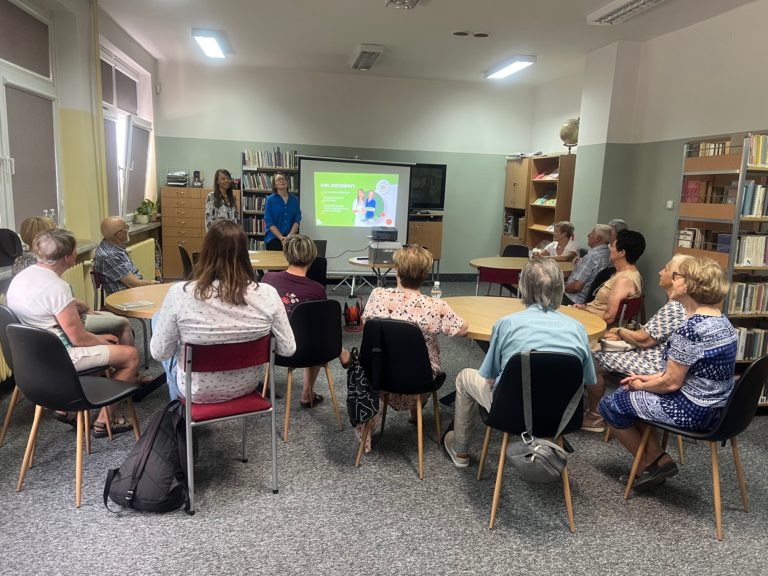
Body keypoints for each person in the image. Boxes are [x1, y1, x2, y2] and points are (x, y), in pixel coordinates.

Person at [598, 257, 737, 489]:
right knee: (629, 395)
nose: (673, 280)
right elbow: (679, 374)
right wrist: (645, 379)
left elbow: (671, 383)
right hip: (718, 407)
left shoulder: (690, 329)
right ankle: (657, 460)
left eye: (677, 277)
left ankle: (651, 463)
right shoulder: (722, 323)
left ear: (690, 286)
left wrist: (641, 385)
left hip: (693, 410)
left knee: (610, 404)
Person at [444, 258, 596, 467]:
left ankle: (460, 452)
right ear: (560, 288)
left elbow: (489, 376)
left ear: (524, 287)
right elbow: (587, 379)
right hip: (561, 416)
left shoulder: (507, 324)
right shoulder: (578, 329)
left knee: (464, 378)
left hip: (511, 411)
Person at [7, 229, 140, 436]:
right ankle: (105, 421)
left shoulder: (22, 277)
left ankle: (67, 409)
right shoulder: (56, 287)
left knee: (102, 346)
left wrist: (93, 336)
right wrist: (100, 341)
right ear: (69, 257)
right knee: (130, 355)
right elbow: (79, 339)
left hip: (31, 359)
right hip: (61, 356)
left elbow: (46, 308)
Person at [151, 220, 296, 403]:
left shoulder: (180, 293)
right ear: (245, 253)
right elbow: (288, 349)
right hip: (246, 385)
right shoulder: (267, 294)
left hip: (196, 390)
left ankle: (180, 417)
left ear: (206, 252)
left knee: (158, 320)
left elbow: (160, 353)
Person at [360, 244, 468, 445]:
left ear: (398, 270)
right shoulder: (436, 306)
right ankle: (415, 409)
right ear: (425, 275)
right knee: (422, 356)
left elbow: (365, 323)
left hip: (378, 373)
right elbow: (462, 329)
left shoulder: (377, 296)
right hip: (419, 377)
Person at [582, 254, 691, 433]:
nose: (659, 272)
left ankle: (595, 417)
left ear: (677, 278)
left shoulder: (676, 306)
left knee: (593, 356)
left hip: (654, 363)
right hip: (659, 360)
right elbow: (652, 333)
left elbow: (644, 340)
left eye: (665, 269)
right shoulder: (681, 304)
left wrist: (619, 331)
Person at [263, 234, 348, 407]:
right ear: (312, 258)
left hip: (272, 349)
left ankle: (266, 387)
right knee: (317, 333)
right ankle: (307, 393)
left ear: (286, 255)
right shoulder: (317, 290)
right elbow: (321, 326)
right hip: (305, 352)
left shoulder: (268, 279)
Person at [574, 229, 645, 325]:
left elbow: (609, 317)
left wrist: (584, 317)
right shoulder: (626, 273)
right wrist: (585, 308)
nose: (609, 249)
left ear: (622, 253)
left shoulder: (624, 280)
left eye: (612, 246)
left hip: (594, 324)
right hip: (589, 315)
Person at [93, 216, 157, 295]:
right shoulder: (111, 256)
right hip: (125, 298)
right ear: (119, 234)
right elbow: (133, 284)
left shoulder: (109, 245)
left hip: (132, 292)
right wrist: (154, 285)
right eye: (126, 227)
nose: (128, 230)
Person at [563, 224, 612, 304]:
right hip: (591, 300)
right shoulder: (609, 255)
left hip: (574, 300)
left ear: (598, 238)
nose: (588, 235)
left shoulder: (591, 257)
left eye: (591, 234)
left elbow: (576, 287)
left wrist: (560, 288)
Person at [264, 172, 301, 251]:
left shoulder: (294, 199)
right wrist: (281, 238)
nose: (282, 181)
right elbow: (269, 221)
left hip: (291, 238)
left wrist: (289, 236)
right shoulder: (270, 200)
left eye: (284, 179)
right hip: (273, 238)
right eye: (278, 179)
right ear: (275, 185)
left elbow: (297, 218)